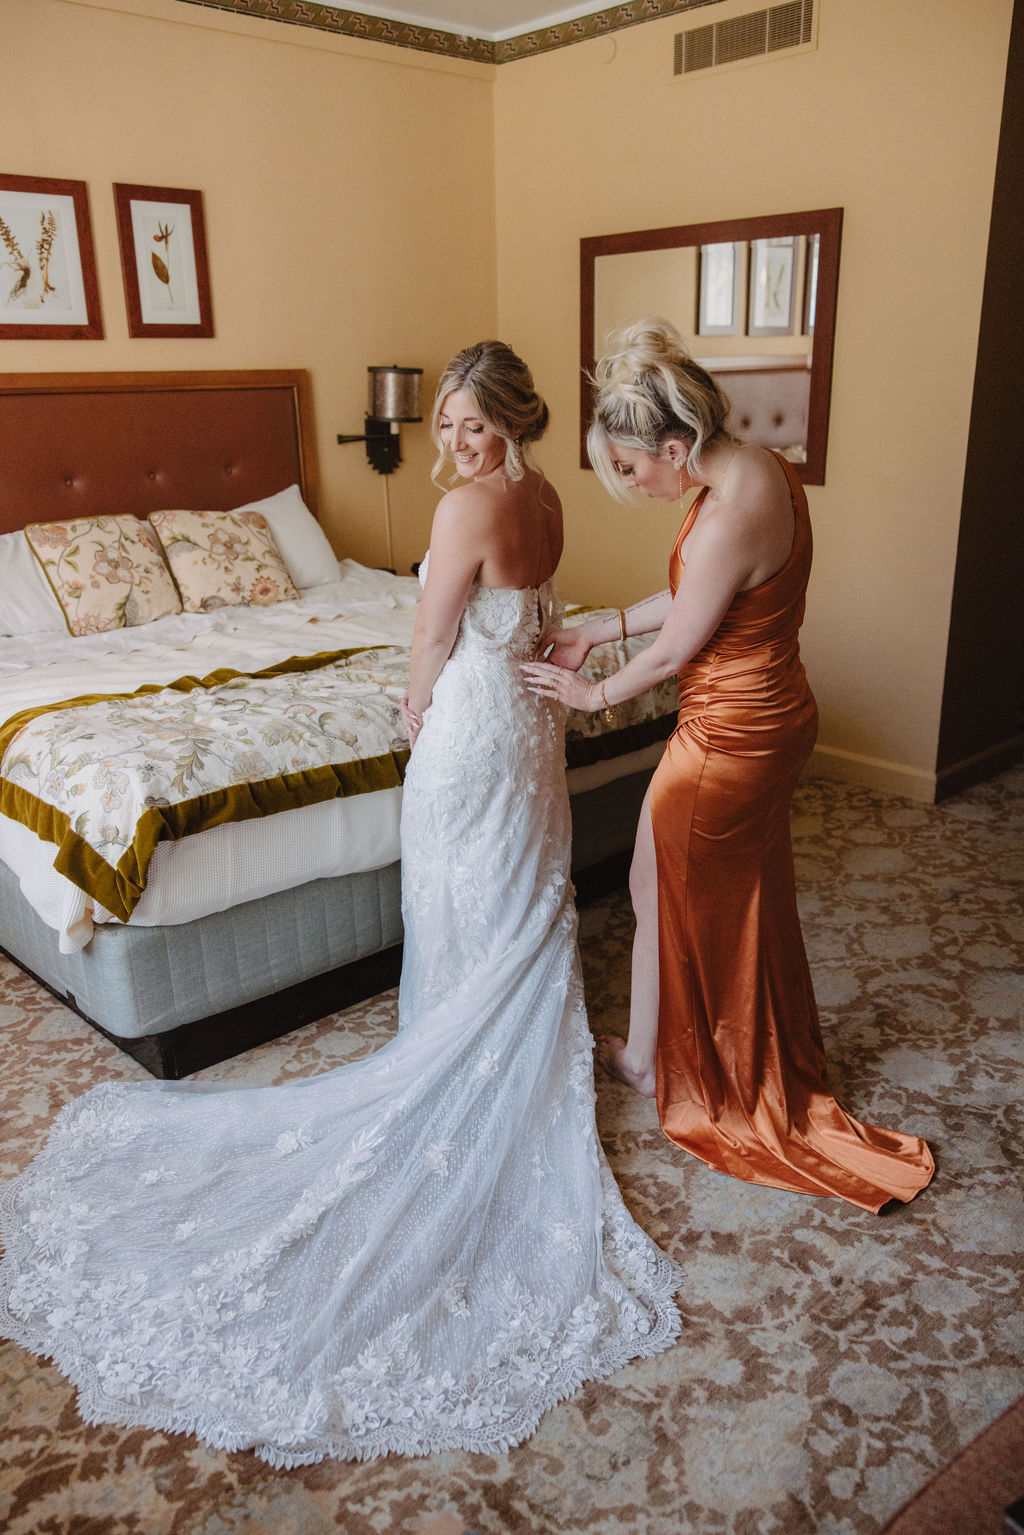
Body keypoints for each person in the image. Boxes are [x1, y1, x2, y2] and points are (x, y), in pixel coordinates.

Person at [0, 341, 682, 1468]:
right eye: (446, 430)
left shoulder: (468, 508)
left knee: (465, 882)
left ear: (508, 419)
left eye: (470, 426)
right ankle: (493, 1040)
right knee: (518, 882)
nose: (454, 447)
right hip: (531, 723)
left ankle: (446, 1051)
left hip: (469, 719)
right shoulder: (544, 494)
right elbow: (534, 605)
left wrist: (414, 706)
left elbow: (429, 628)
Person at [524, 318, 934, 1214]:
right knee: (655, 882)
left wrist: (593, 697)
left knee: (686, 894)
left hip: (727, 738)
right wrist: (600, 626)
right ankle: (644, 1051)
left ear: (677, 444)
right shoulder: (758, 468)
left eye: (632, 467)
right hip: (773, 711)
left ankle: (703, 1069)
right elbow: (700, 593)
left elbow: (677, 649)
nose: (633, 484)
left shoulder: (725, 510)